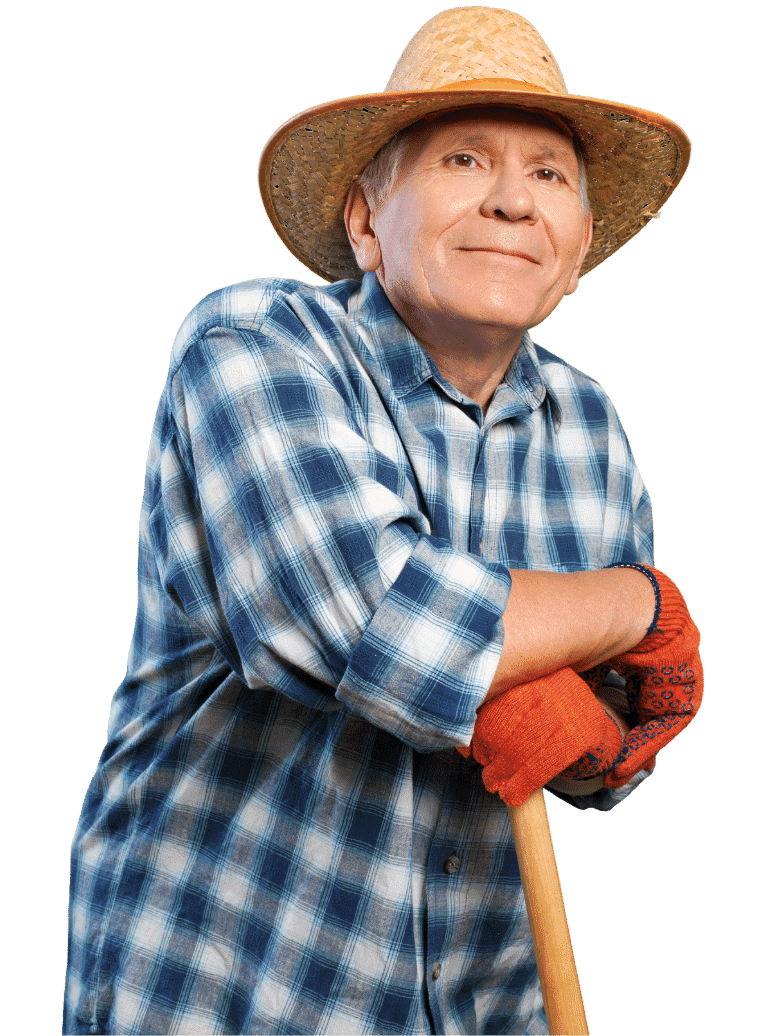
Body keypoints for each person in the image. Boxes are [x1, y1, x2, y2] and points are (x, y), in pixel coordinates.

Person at [63, 8, 703, 1035]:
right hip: (231, 992)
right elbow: (374, 624)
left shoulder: (588, 427)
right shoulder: (253, 346)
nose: (508, 200)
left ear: (579, 248)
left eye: (548, 176)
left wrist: (592, 737)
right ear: (365, 221)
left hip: (483, 1004)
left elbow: (600, 727)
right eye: (461, 157)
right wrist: (638, 601)